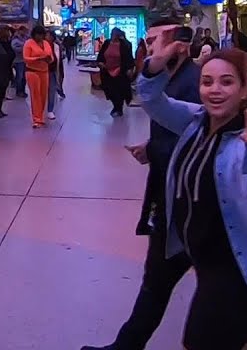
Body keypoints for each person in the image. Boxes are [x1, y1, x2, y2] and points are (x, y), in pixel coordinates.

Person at [93, 39, 247, 350]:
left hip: (229, 261)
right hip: (185, 241)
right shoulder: (196, 121)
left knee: (203, 338)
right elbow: (154, 101)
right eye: (207, 82)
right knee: (243, 336)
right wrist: (154, 67)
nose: (215, 90)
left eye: (227, 82)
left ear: (242, 91)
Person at [85, 19, 200, 350]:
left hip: (189, 204)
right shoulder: (171, 79)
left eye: (157, 41)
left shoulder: (191, 83)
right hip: (172, 199)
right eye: (148, 41)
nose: (151, 47)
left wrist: (156, 148)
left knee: (179, 286)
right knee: (157, 283)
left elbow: (198, 140)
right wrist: (153, 148)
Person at [97, 28, 135, 117]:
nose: (112, 35)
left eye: (114, 34)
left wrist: (129, 69)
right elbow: (101, 55)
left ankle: (118, 108)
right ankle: (116, 106)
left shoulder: (125, 45)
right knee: (109, 90)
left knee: (118, 90)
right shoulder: (107, 43)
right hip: (107, 70)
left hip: (120, 71)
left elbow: (128, 58)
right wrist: (100, 62)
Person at [22, 26, 53, 128]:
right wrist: (38, 58)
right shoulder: (28, 43)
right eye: (38, 34)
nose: (40, 36)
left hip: (44, 71)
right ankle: (36, 119)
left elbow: (51, 57)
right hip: (32, 72)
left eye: (41, 34)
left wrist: (48, 59)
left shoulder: (46, 43)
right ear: (34, 34)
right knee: (35, 95)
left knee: (43, 95)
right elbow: (26, 58)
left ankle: (41, 116)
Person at [45, 29, 65, 117]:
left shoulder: (56, 46)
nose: (47, 37)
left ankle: (50, 110)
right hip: (40, 72)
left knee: (51, 91)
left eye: (49, 36)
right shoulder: (41, 46)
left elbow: (59, 60)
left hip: (52, 71)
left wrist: (60, 72)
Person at [11, 26, 28, 99]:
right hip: (18, 60)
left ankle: (23, 90)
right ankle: (19, 91)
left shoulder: (26, 38)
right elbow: (14, 48)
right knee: (19, 76)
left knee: (24, 77)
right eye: (23, 31)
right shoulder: (15, 39)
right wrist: (24, 48)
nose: (24, 32)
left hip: (25, 60)